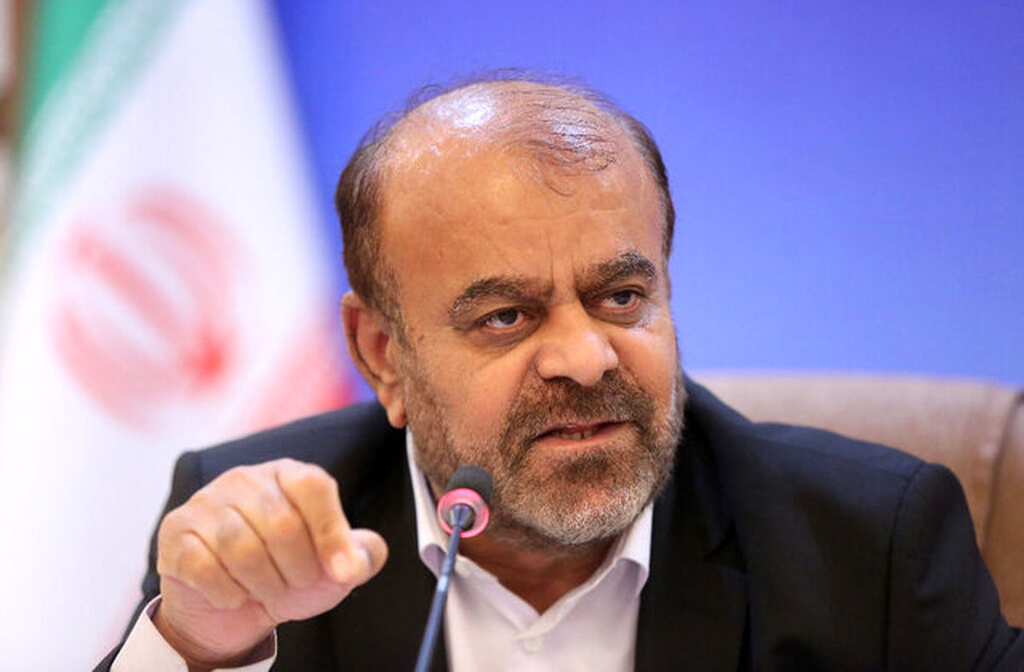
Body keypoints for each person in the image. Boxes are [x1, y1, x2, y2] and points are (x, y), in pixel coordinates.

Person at [98, 73, 1023, 671]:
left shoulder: (871, 547)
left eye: (621, 296)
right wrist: (202, 646)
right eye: (506, 315)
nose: (586, 358)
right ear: (383, 353)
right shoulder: (266, 540)